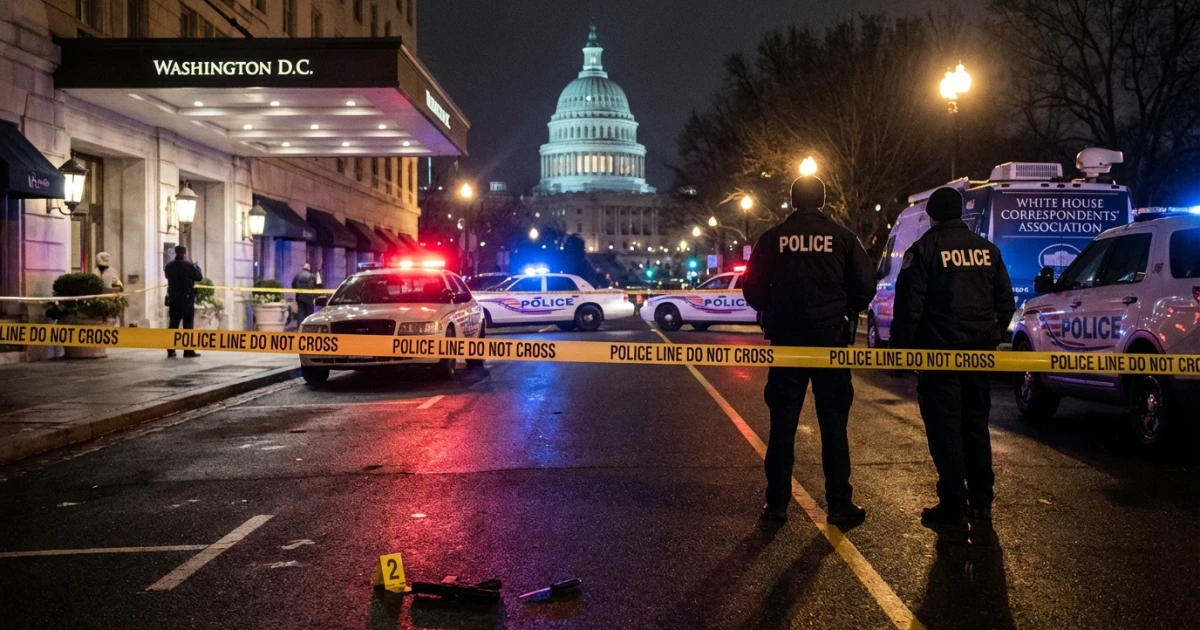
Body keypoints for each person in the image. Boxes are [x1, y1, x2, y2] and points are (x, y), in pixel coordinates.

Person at [743, 174, 876, 526]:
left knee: (782, 426)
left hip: (786, 343)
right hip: (830, 341)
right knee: (834, 426)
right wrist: (844, 307)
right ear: (823, 201)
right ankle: (839, 505)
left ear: (791, 202)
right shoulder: (843, 238)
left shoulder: (772, 239)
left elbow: (752, 288)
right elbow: (866, 286)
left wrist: (772, 306)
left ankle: (777, 506)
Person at [890, 187, 1015, 528]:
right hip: (977, 359)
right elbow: (1006, 303)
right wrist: (989, 337)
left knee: (945, 431)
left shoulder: (924, 251)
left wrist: (900, 355)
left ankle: (953, 504)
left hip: (939, 359)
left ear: (931, 215)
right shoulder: (988, 252)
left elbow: (909, 308)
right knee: (975, 427)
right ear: (959, 214)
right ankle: (983, 501)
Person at [164, 245, 203, 358]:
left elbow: (167, 276)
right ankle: (188, 350)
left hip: (174, 298)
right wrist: (197, 267)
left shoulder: (169, 266)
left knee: (173, 324)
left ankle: (170, 350)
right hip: (186, 298)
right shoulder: (188, 265)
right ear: (185, 253)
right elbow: (199, 277)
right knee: (188, 324)